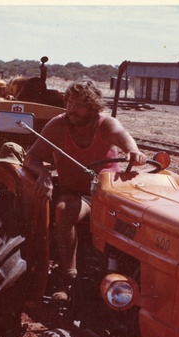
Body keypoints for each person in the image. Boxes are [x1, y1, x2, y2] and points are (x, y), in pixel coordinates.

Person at [24, 79, 146, 302]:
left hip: (108, 196)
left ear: (93, 107)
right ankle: (68, 279)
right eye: (69, 102)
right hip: (78, 196)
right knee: (63, 209)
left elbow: (124, 137)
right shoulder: (57, 126)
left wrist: (133, 151)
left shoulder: (105, 125)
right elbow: (31, 157)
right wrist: (43, 174)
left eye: (79, 104)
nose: (72, 109)